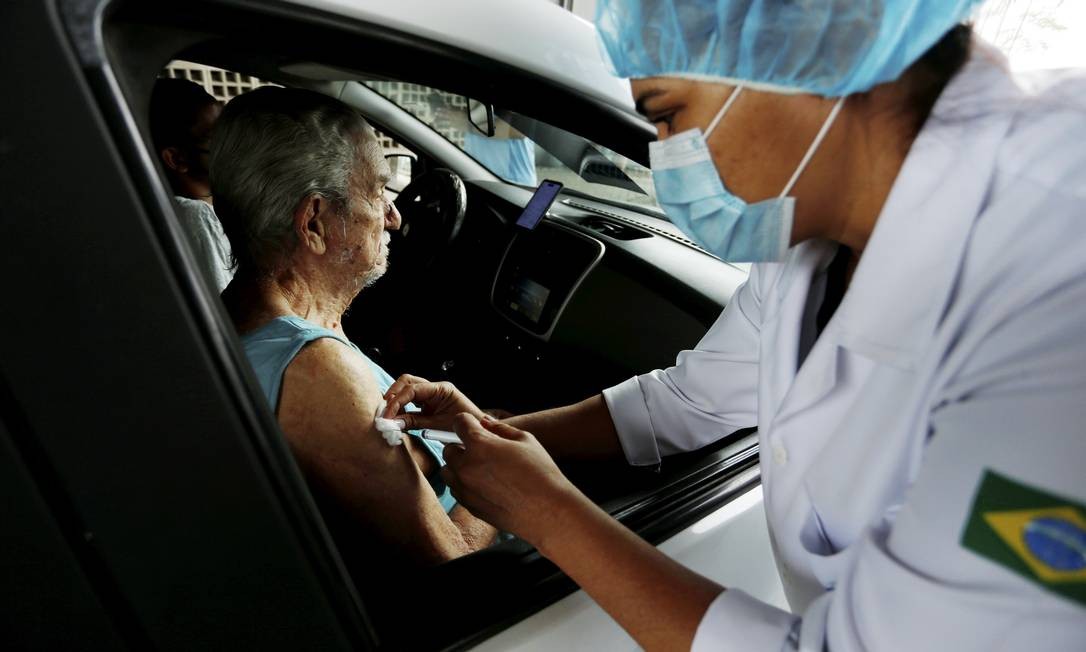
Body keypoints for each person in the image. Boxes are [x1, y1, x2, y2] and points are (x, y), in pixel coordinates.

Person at [382, 0, 1086, 649]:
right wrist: (491, 437)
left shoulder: (1054, 299)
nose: (664, 162)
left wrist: (548, 512)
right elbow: (689, 400)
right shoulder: (809, 232)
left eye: (667, 115)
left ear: (802, 54)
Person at [209, 87, 496, 567]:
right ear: (314, 223)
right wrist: (495, 466)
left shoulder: (235, 311)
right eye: (379, 191)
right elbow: (455, 562)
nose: (394, 216)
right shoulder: (316, 370)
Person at [150, 78, 234, 292]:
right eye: (216, 138)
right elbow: (224, 308)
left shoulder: (215, 208)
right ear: (177, 159)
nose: (232, 144)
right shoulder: (195, 215)